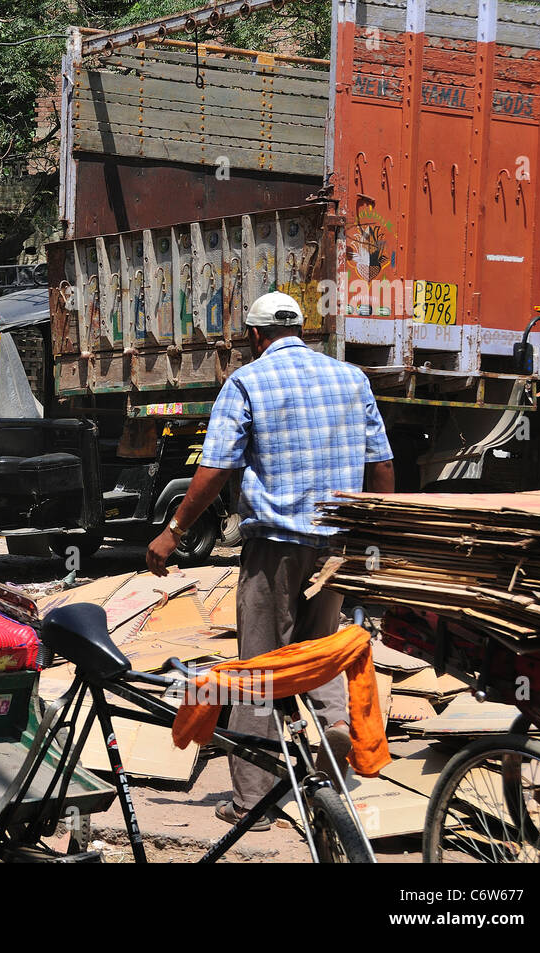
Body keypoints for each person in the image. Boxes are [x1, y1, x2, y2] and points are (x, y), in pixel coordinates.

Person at [146, 291, 394, 830]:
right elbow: (381, 463)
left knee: (258, 669)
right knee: (322, 650)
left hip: (275, 546)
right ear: (302, 330)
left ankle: (252, 802)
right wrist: (376, 535)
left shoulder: (247, 381)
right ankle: (333, 765)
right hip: (336, 543)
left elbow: (215, 469)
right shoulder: (352, 379)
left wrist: (174, 531)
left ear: (255, 336)